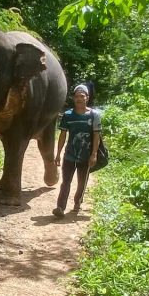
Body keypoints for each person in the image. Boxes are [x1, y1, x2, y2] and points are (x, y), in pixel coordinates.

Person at [53, 83, 101, 218]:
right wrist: (57, 154)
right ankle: (60, 207)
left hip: (86, 156)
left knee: (82, 182)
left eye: (82, 96)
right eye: (77, 96)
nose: (79, 99)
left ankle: (77, 202)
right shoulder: (68, 115)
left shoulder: (94, 115)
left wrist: (94, 154)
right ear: (74, 98)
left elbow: (97, 136)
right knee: (66, 182)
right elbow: (63, 136)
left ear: (87, 97)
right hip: (69, 154)